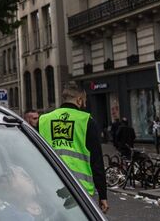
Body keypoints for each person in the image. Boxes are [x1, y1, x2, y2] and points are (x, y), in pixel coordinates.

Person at [38, 83, 108, 214]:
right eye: (85, 101)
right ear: (79, 100)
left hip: (49, 187)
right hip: (80, 191)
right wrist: (103, 195)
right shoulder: (86, 121)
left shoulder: (43, 120)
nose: (85, 105)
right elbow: (96, 161)